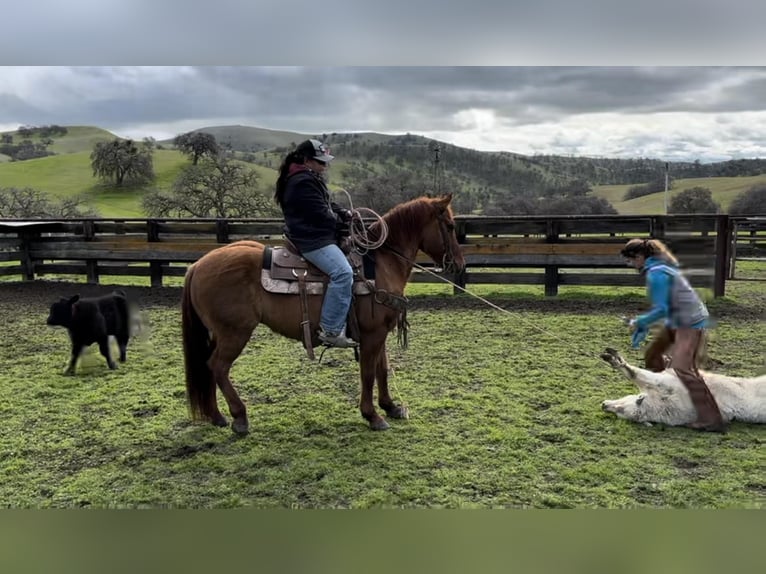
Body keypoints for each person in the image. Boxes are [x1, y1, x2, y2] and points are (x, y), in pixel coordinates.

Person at [620, 238, 726, 432]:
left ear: (640, 257)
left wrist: (640, 322)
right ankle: (688, 406)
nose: (630, 265)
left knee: (683, 369)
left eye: (630, 261)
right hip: (687, 318)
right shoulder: (662, 267)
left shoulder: (656, 273)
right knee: (677, 365)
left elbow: (662, 308)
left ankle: (711, 419)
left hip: (689, 321)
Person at [274, 139, 357, 348]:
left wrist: (345, 213)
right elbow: (321, 214)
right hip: (312, 240)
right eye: (320, 162)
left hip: (314, 235)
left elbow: (326, 204)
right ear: (307, 161)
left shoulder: (307, 177)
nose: (324, 166)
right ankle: (330, 329)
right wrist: (340, 222)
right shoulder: (302, 182)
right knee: (343, 273)